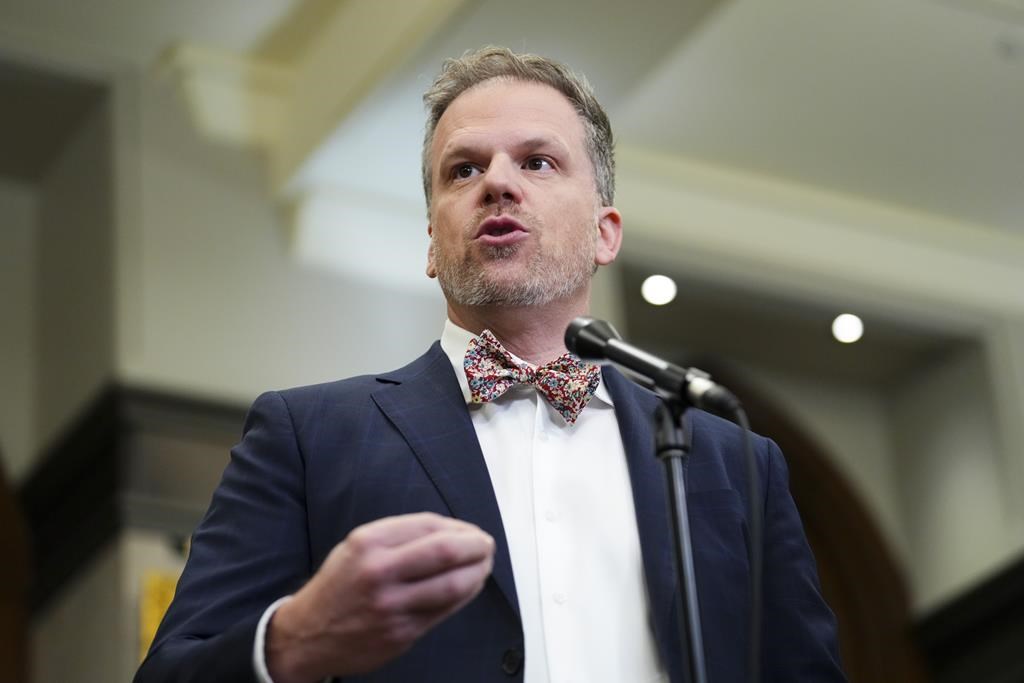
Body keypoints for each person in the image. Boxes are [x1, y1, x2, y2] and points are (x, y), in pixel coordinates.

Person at [135, 46, 845, 683]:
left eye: (537, 162)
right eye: (464, 169)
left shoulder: (734, 462)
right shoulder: (308, 435)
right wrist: (292, 640)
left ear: (605, 232)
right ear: (432, 244)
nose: (497, 184)